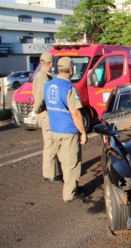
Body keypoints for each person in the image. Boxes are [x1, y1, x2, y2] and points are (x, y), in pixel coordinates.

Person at [43, 57, 88, 203]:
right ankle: (70, 194)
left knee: (63, 160)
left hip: (54, 129)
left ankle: (69, 186)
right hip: (68, 131)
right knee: (72, 163)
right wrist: (83, 132)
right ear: (71, 69)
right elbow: (75, 113)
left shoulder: (49, 85)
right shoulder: (69, 88)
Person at [32, 52, 63, 183]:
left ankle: (54, 172)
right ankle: (49, 175)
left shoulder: (46, 76)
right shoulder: (42, 77)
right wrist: (38, 110)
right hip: (45, 113)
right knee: (50, 144)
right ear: (50, 63)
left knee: (53, 143)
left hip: (47, 113)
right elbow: (40, 98)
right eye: (53, 63)